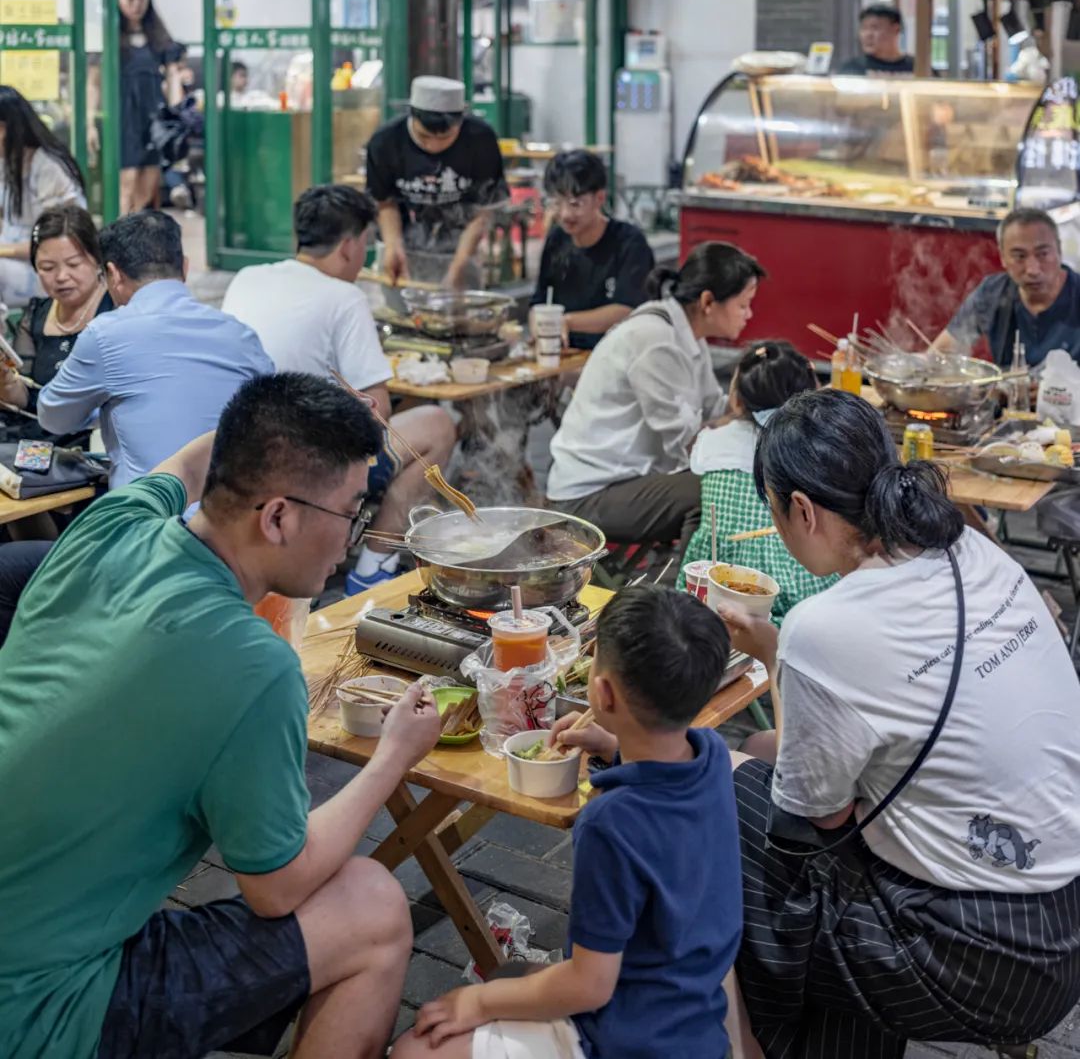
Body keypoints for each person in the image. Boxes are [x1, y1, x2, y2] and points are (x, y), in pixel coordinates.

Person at [0, 374, 442, 1059]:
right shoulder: (252, 665)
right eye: (352, 511)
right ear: (277, 518)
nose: (351, 538)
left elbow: (186, 464)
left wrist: (290, 412)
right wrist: (393, 756)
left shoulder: (110, 526)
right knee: (373, 904)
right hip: (37, 1009)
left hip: (23, 923)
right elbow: (277, 886)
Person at [715, 387, 1080, 1059]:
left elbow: (814, 827)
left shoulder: (821, 627)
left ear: (801, 510)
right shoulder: (971, 546)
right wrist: (774, 654)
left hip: (982, 959)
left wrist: (777, 662)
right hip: (1065, 913)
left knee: (733, 807)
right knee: (821, 828)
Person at [392, 586, 742, 1059]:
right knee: (514, 978)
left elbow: (589, 985)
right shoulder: (712, 755)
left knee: (417, 1047)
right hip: (692, 1022)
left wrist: (477, 1001)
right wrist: (613, 745)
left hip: (624, 1038)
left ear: (600, 690)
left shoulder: (610, 822)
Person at [223, 184, 456, 588]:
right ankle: (372, 568)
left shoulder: (247, 277)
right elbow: (377, 410)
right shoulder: (343, 297)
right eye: (366, 245)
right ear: (349, 246)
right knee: (437, 425)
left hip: (240, 451)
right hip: (305, 467)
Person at [546, 243, 764, 550]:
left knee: (731, 476)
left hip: (624, 481)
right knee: (717, 491)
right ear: (708, 301)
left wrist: (765, 398)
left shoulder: (686, 335)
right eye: (743, 305)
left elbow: (714, 407)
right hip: (585, 498)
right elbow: (685, 443)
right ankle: (690, 586)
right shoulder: (655, 340)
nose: (749, 314)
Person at [37, 211, 272, 487]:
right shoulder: (242, 336)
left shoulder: (106, 335)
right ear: (185, 267)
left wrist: (99, 411)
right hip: (237, 517)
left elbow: (53, 418)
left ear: (112, 274)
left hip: (152, 521)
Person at [678, 340, 837, 621]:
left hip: (716, 584)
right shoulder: (815, 446)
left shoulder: (713, 443)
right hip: (798, 583)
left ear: (737, 398)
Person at [366, 76, 508, 287]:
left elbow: (482, 211)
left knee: (457, 313)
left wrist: (458, 267)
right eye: (423, 137)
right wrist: (392, 247)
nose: (433, 146)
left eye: (445, 138)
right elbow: (385, 202)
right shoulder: (386, 142)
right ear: (412, 116)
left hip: (461, 247)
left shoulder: (480, 140)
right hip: (404, 245)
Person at [0, 205, 113, 449]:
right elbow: (27, 399)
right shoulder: (36, 315)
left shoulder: (116, 310)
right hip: (35, 444)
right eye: (47, 268)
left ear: (98, 260)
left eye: (73, 264)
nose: (61, 276)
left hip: (93, 447)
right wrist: (8, 382)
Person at [532, 150, 654, 350]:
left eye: (574, 204)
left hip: (618, 354)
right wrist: (539, 326)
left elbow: (626, 309)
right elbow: (538, 302)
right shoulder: (557, 239)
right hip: (566, 354)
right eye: (556, 203)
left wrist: (567, 322)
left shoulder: (629, 242)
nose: (565, 214)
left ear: (599, 198)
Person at [935, 207, 1080, 367]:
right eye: (1019, 256)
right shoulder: (992, 293)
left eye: (1043, 254)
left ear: (1059, 250)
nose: (1032, 270)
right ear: (1003, 257)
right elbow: (941, 354)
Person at [0, 87, 86, 308]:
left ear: (3, 130)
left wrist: (3, 249)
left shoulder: (47, 166)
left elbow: (52, 243)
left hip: (49, 271)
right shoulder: (8, 162)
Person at [108, 0, 184, 215]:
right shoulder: (110, 38)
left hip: (152, 115)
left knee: (150, 177)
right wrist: (90, 121)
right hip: (123, 115)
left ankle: (136, 230)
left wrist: (175, 112)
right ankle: (120, 232)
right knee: (127, 177)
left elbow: (172, 75)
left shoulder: (158, 38)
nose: (136, 4)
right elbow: (94, 82)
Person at [836, 3, 914, 76]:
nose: (868, 35)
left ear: (895, 30)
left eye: (875, 28)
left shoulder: (916, 68)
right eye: (864, 28)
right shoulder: (852, 69)